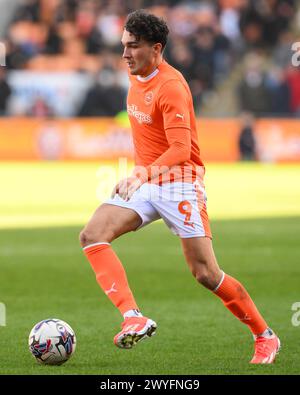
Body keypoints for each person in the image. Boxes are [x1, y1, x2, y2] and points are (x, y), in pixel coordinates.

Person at [79, 10, 280, 364]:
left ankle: (264, 335)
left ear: (157, 49)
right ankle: (133, 317)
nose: (125, 53)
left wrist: (141, 174)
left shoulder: (171, 86)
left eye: (134, 46)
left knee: (206, 274)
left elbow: (180, 149)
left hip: (180, 184)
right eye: (124, 45)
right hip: (147, 179)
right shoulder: (136, 74)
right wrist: (142, 174)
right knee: (92, 234)